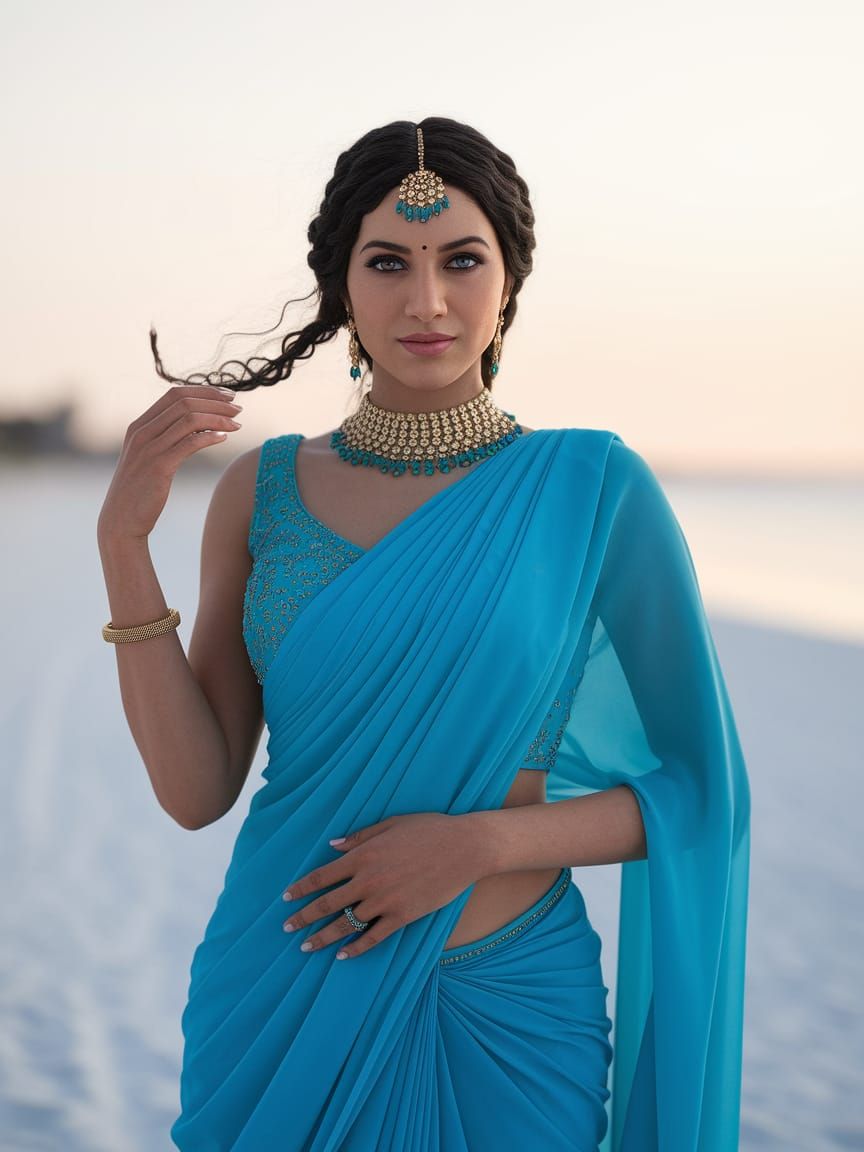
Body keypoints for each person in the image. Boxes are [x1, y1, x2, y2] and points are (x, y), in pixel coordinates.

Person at [97, 117, 750, 1152]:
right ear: (342, 288)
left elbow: (696, 795)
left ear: (509, 283)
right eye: (388, 262)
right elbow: (195, 790)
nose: (427, 299)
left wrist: (478, 843)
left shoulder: (590, 489)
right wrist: (124, 543)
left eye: (462, 259)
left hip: (511, 1006)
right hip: (284, 986)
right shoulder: (259, 494)